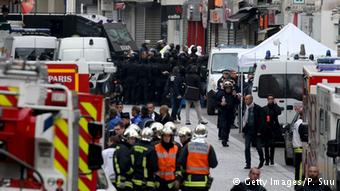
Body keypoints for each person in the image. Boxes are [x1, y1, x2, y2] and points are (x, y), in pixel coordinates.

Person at [180, 124, 218, 191]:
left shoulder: (188, 146)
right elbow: (214, 164)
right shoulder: (209, 147)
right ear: (206, 134)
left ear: (194, 133)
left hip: (189, 182)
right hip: (203, 183)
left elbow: (180, 161)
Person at [154, 126, 181, 191]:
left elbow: (178, 164)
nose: (167, 138)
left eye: (168, 136)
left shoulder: (176, 148)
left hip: (172, 181)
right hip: (159, 180)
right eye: (165, 136)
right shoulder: (156, 147)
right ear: (162, 137)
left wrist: (178, 179)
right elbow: (152, 163)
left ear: (171, 137)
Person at [242, 95, 265, 169]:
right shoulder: (245, 108)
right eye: (245, 99)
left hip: (256, 131)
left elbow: (262, 121)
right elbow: (244, 119)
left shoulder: (257, 108)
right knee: (247, 147)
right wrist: (244, 130)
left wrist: (260, 131)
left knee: (258, 147)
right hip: (248, 131)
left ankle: (262, 159)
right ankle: (248, 163)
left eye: (247, 99)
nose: (246, 101)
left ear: (251, 99)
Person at [216, 81, 240, 147]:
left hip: (231, 112)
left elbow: (237, 102)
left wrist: (236, 97)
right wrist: (220, 104)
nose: (228, 90)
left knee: (228, 127)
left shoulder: (233, 94)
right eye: (226, 88)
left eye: (229, 88)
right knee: (224, 126)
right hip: (223, 112)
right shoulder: (221, 94)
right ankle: (224, 140)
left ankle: (226, 138)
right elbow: (215, 102)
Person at [262, 95, 282, 165]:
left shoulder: (275, 108)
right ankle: (267, 160)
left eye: (272, 99)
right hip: (266, 129)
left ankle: (272, 159)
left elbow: (279, 112)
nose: (270, 100)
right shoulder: (264, 109)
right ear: (267, 100)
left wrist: (276, 104)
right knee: (266, 145)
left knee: (272, 145)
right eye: (269, 99)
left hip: (273, 129)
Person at [293, 110, 304, 186]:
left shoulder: (297, 122)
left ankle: (297, 184)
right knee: (301, 168)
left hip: (297, 148)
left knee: (298, 168)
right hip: (301, 148)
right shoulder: (301, 124)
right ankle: (299, 185)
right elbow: (303, 137)